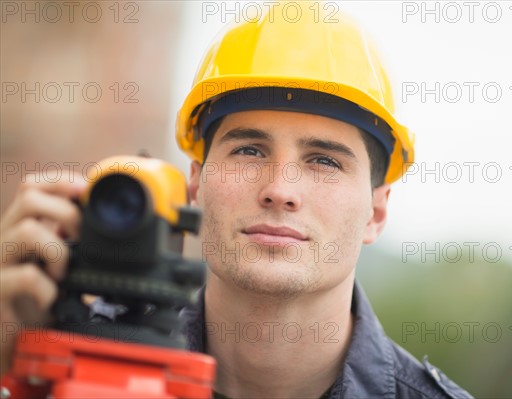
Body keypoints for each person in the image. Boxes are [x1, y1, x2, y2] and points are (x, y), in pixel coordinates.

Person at [1, 4, 473, 398]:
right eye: (249, 150)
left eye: (325, 162)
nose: (280, 190)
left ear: (377, 211)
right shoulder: (58, 360)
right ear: (195, 185)